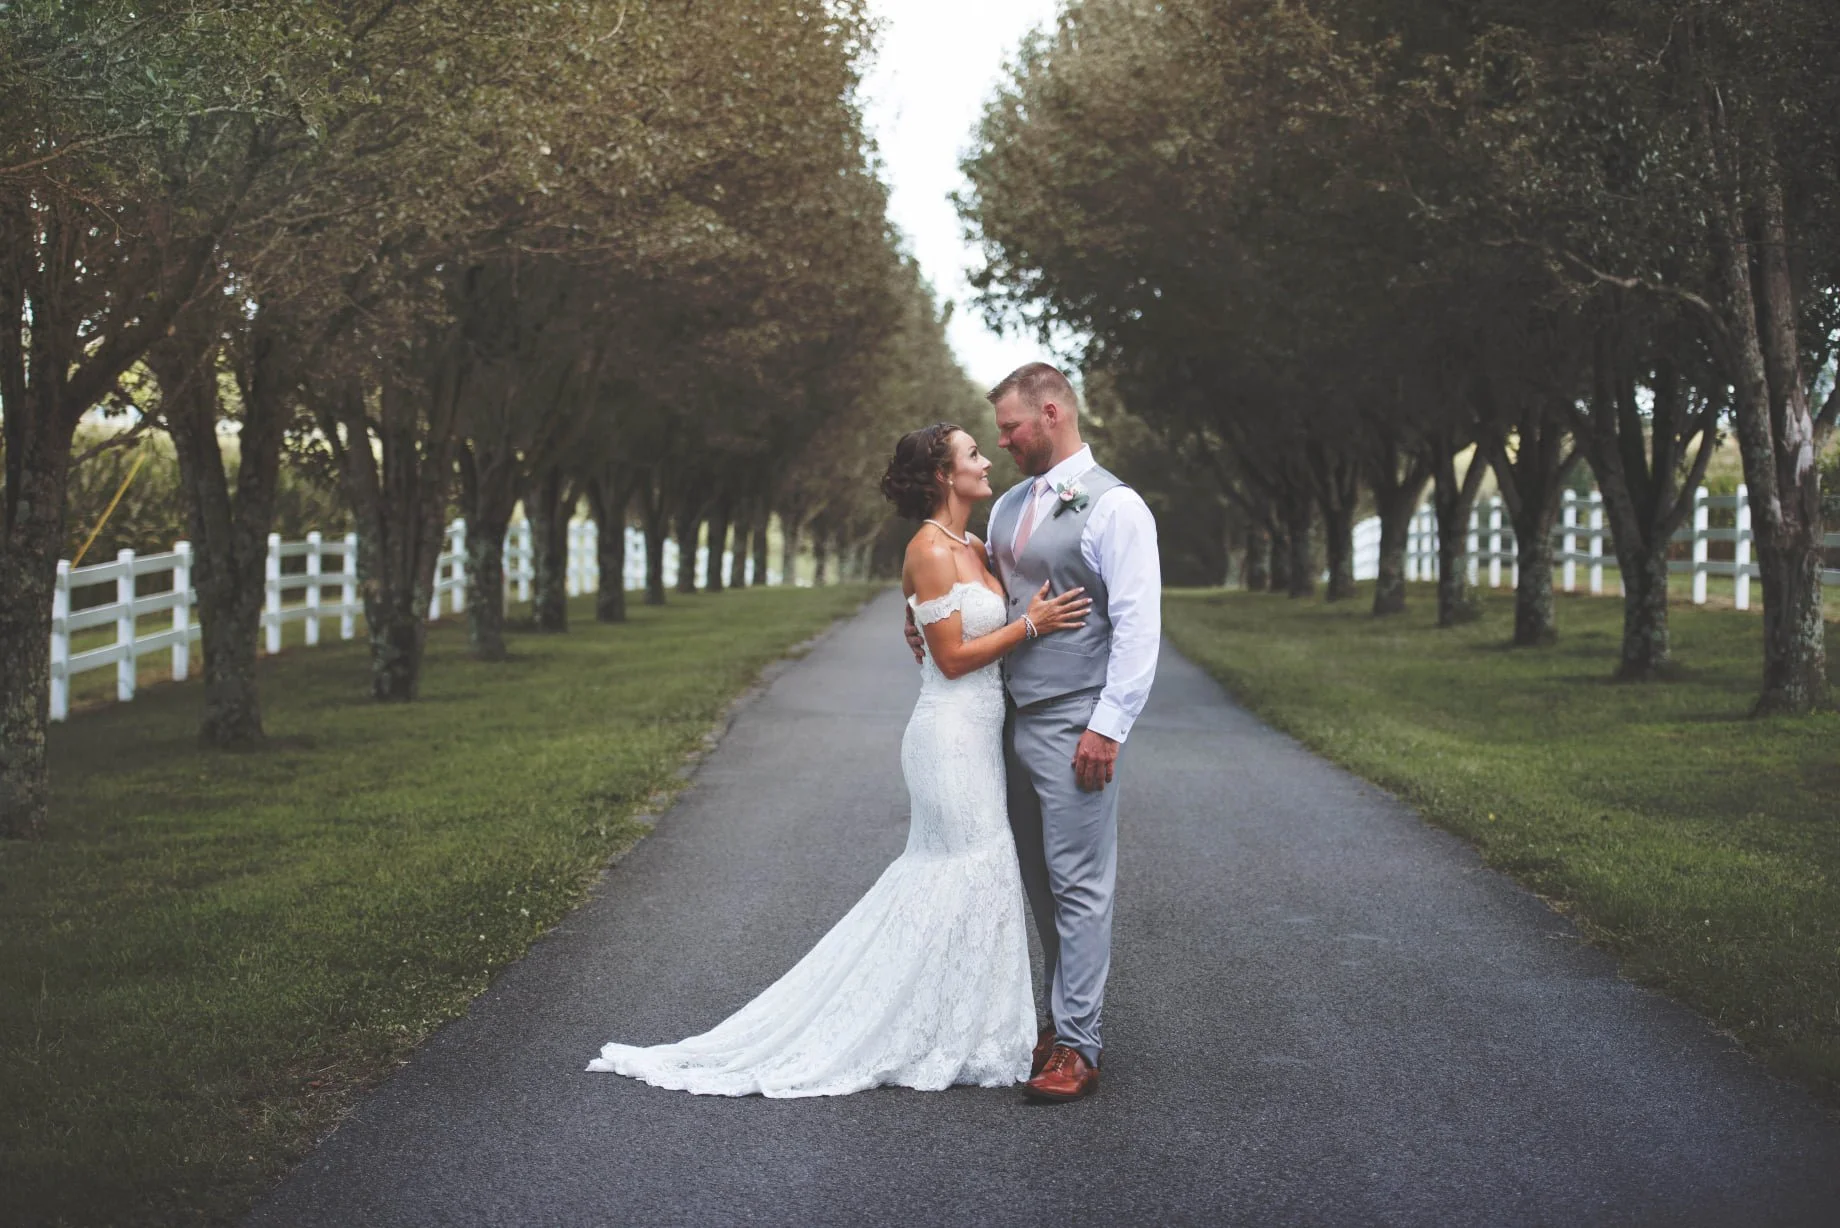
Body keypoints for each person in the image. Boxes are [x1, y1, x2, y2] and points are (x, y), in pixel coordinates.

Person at [586, 420, 1089, 1097]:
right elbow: (950, 656)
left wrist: (956, 617)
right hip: (946, 736)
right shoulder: (928, 551)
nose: (985, 461)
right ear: (944, 474)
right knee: (960, 870)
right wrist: (1032, 626)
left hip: (980, 731)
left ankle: (970, 1029)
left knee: (976, 873)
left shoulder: (972, 543)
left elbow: (951, 621)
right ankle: (913, 1026)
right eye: (973, 453)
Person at [905, 362, 1160, 1102]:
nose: (1003, 442)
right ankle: (1057, 1018)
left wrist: (1107, 727)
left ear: (1051, 413)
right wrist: (918, 619)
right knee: (1038, 881)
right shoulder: (1009, 504)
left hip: (1075, 719)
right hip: (1000, 721)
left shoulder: (1118, 509)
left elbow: (1139, 628)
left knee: (1079, 884)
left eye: (1011, 428)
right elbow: (970, 590)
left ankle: (1078, 1044)